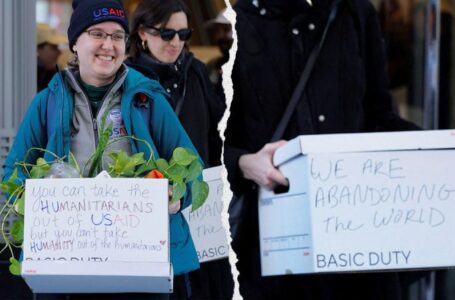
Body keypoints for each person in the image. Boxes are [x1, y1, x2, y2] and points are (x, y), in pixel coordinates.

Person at [224, 0, 423, 299]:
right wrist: (244, 163)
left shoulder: (355, 13)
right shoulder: (239, 21)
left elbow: (380, 115)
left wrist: (434, 155)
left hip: (357, 232)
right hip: (277, 239)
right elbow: (216, 135)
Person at [4, 0, 199, 298]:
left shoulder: (147, 99)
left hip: (139, 264)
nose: (109, 45)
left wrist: (178, 194)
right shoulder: (47, 102)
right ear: (75, 43)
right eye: (97, 33)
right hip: (65, 265)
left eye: (117, 36)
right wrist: (24, 210)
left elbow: (192, 167)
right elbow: (15, 173)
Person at [126, 0, 233, 299]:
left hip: (200, 207)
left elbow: (216, 134)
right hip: (148, 211)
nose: (176, 42)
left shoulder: (195, 71)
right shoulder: (128, 81)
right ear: (143, 33)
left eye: (184, 34)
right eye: (166, 33)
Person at [36, 23, 67, 92]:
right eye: (54, 47)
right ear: (38, 49)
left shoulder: (51, 75)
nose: (59, 52)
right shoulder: (25, 79)